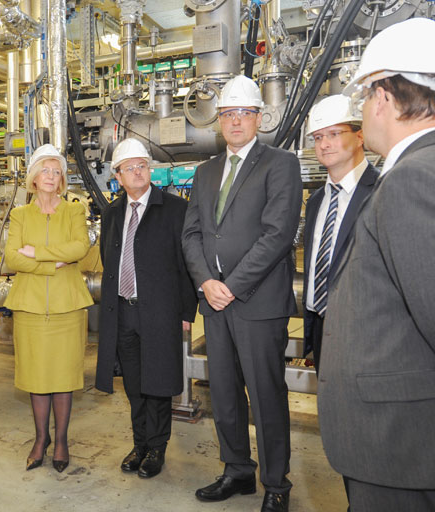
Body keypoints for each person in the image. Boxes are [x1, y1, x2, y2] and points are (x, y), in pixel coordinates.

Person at [318, 17, 435, 511]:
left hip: (395, 443)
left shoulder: (412, 180)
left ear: (384, 97)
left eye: (365, 98)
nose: (364, 110)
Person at [182, 75, 302, 512]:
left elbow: (277, 235)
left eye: (243, 114)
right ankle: (237, 470)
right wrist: (205, 283)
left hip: (257, 304)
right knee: (226, 392)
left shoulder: (281, 164)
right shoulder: (205, 171)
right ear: (220, 122)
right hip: (213, 304)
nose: (235, 122)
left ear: (258, 118)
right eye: (228, 114)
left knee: (266, 394)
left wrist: (231, 286)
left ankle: (276, 484)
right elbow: (191, 233)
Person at [95, 138, 197, 479]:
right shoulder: (111, 213)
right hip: (124, 311)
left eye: (142, 166)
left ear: (149, 170)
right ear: (118, 177)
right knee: (135, 384)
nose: (137, 172)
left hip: (161, 311)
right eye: (129, 168)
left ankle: (157, 447)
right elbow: (107, 261)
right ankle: (139, 443)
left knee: (158, 383)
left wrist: (186, 312)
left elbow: (187, 265)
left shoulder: (174, 209)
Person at [4, 144, 93, 473]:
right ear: (33, 177)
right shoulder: (19, 214)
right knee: (36, 376)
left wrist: (36, 252)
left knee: (64, 376)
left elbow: (79, 247)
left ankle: (62, 440)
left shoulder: (74, 210)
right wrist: (52, 261)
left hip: (67, 307)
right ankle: (40, 439)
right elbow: (12, 257)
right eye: (46, 170)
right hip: (29, 307)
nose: (52, 177)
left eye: (57, 172)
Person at [302, 95, 378, 374]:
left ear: (360, 136)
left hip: (367, 332)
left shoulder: (382, 191)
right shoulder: (316, 202)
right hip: (323, 329)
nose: (324, 144)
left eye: (334, 133)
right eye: (318, 137)